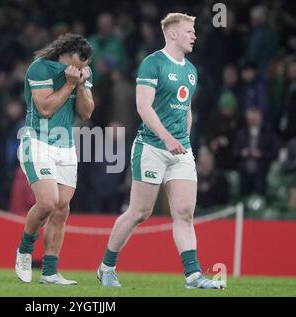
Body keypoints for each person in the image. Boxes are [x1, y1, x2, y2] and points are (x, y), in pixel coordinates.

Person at [96, 13, 225, 289]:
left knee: (184, 212)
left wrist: (183, 140)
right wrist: (167, 138)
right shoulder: (152, 63)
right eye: (189, 31)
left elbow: (187, 109)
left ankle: (193, 276)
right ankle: (106, 266)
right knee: (140, 212)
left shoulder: (191, 70)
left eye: (194, 31)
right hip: (152, 147)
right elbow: (144, 107)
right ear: (173, 34)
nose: (194, 35)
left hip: (180, 149)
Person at [15, 33, 94, 285]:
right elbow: (45, 109)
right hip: (37, 141)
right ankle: (25, 250)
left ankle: (50, 272)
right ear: (68, 54)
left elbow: (86, 112)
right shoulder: (40, 69)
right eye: (81, 61)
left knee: (61, 209)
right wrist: (70, 85)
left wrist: (81, 86)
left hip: (66, 146)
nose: (83, 68)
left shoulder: (80, 74)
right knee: (48, 203)